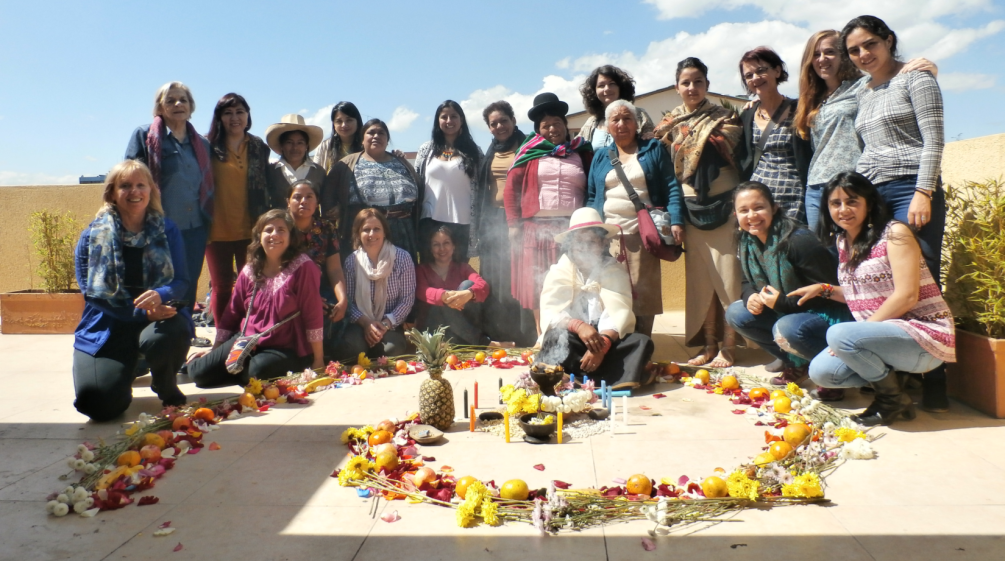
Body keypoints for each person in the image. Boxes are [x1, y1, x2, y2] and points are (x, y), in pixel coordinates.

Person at [842, 15, 949, 412]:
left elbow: (934, 137)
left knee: (923, 283)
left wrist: (924, 191)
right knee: (884, 283)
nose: (863, 54)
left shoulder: (915, 78)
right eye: (854, 50)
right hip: (875, 196)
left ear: (888, 40)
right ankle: (897, 379)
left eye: (870, 44)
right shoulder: (861, 91)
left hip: (910, 188)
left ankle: (936, 382)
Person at [793, 172, 955, 426]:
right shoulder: (844, 241)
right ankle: (896, 389)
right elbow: (863, 296)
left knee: (838, 333)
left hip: (924, 337)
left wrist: (856, 332)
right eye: (835, 203)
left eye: (852, 201)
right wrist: (824, 289)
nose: (843, 209)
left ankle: (890, 401)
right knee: (822, 373)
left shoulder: (895, 234)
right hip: (883, 337)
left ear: (869, 203)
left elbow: (907, 295)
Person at [72, 160, 191, 421]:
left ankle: (165, 384)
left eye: (141, 184)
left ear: (151, 190)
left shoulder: (167, 230)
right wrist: (140, 315)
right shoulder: (92, 236)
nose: (134, 191)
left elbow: (182, 280)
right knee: (98, 405)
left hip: (156, 321)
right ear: (112, 193)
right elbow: (93, 295)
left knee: (169, 333)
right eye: (125, 185)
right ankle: (122, 373)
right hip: (108, 327)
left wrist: (162, 293)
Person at [794, 30, 938, 228]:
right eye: (816, 54)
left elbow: (894, 80)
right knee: (821, 256)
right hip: (816, 188)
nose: (822, 59)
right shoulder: (811, 99)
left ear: (844, 56)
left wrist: (929, 68)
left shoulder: (864, 86)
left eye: (830, 52)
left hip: (851, 186)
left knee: (857, 251)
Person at [654, 57, 744, 367]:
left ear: (707, 84)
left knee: (729, 276)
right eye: (686, 82)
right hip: (689, 206)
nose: (692, 87)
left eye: (698, 81)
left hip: (725, 203)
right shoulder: (667, 125)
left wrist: (705, 138)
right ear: (676, 87)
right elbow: (661, 166)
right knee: (701, 280)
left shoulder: (726, 117)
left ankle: (729, 346)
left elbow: (732, 147)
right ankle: (708, 344)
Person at [724, 182, 852, 397]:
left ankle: (832, 375)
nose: (752, 215)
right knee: (737, 313)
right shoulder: (746, 241)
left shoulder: (798, 241)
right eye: (744, 210)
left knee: (786, 327)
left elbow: (829, 293)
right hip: (790, 310)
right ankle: (797, 365)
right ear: (735, 214)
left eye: (758, 208)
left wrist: (783, 303)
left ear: (774, 208)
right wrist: (750, 296)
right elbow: (746, 281)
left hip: (828, 313)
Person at [188, 210, 324, 387]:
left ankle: (244, 372)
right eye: (268, 230)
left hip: (285, 346)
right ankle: (239, 371)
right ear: (259, 236)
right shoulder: (250, 270)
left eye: (281, 229)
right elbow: (232, 313)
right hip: (247, 340)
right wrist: (217, 349)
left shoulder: (303, 267)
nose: (274, 234)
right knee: (199, 373)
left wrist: (318, 360)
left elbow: (312, 313)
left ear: (291, 236)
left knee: (257, 373)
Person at [586, 99, 685, 338]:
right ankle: (614, 349)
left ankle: (640, 350)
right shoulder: (600, 156)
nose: (621, 124)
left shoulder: (652, 149)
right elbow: (591, 196)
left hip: (643, 236)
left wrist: (677, 220)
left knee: (643, 298)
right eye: (615, 119)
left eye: (627, 118)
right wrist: (590, 232)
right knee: (611, 296)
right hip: (608, 239)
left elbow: (671, 185)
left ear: (636, 122)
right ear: (608, 126)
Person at [537, 208, 656, 391]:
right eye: (579, 242)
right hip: (574, 341)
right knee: (555, 337)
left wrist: (603, 345)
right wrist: (579, 326)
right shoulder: (558, 271)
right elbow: (551, 312)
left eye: (591, 242)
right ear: (570, 245)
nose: (585, 248)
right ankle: (617, 376)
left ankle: (575, 376)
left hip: (606, 343)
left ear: (603, 243)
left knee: (642, 341)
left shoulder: (614, 270)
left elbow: (619, 313)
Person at [505, 93, 593, 335]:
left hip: (572, 230)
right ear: (538, 131)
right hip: (537, 230)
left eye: (557, 123)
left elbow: (593, 185)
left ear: (566, 126)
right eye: (546, 125)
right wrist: (513, 224)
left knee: (572, 282)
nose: (552, 128)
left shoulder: (582, 152)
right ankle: (542, 333)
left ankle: (572, 333)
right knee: (539, 283)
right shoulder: (529, 153)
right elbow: (511, 189)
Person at [125, 81, 213, 312]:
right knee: (158, 284)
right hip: (158, 226)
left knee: (188, 283)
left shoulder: (202, 144)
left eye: (183, 100)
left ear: (191, 106)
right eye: (170, 100)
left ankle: (184, 331)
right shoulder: (145, 135)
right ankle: (158, 334)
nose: (178, 104)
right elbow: (130, 179)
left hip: (195, 228)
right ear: (160, 107)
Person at [204, 93, 272, 327]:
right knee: (221, 287)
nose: (235, 117)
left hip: (251, 230)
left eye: (240, 112)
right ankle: (222, 338)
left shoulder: (259, 147)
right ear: (219, 117)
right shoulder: (207, 146)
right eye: (228, 112)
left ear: (248, 116)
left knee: (252, 285)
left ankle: (247, 334)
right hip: (216, 230)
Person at [477, 100, 536, 346]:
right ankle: (499, 334)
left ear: (513, 120)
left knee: (519, 276)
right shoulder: (489, 152)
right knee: (495, 277)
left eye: (504, 120)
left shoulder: (528, 147)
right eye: (494, 123)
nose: (499, 126)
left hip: (520, 220)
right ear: (489, 128)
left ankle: (524, 334)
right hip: (493, 220)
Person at [328, 119, 423, 263]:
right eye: (371, 132)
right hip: (368, 231)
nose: (376, 136)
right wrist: (337, 210)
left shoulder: (402, 162)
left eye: (381, 133)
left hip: (403, 231)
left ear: (387, 139)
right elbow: (328, 192)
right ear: (362, 139)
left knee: (403, 275)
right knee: (367, 278)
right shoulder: (346, 165)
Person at [736, 47, 812, 222]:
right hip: (756, 205)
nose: (755, 78)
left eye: (761, 70)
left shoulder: (800, 110)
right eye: (749, 75)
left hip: (793, 201)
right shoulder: (747, 115)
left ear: (777, 70)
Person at [333, 208, 415, 359]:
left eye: (377, 229)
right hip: (360, 324)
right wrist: (366, 324)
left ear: (384, 232)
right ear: (358, 234)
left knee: (391, 351)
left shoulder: (402, 258)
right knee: (353, 349)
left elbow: (407, 300)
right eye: (366, 230)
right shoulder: (352, 262)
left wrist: (384, 325)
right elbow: (349, 302)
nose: (372, 234)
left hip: (390, 325)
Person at [415, 225, 508, 347]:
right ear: (430, 249)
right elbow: (421, 291)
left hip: (462, 330)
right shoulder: (421, 270)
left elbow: (483, 286)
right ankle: (484, 343)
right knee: (446, 299)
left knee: (468, 285)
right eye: (436, 244)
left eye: (446, 243)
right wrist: (445, 295)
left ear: (454, 246)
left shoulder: (463, 268)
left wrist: (468, 293)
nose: (442, 248)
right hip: (434, 332)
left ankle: (464, 341)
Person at [415, 100, 484, 261]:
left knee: (458, 274)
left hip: (462, 223)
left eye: (454, 116)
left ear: (461, 120)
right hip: (430, 222)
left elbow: (481, 184)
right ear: (437, 121)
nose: (449, 121)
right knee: (430, 271)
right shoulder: (426, 150)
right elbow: (416, 180)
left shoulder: (474, 151)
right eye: (444, 117)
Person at [287, 179, 348, 356]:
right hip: (288, 292)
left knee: (336, 309)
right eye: (297, 197)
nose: (303, 201)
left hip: (321, 289)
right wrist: (308, 299)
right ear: (288, 201)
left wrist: (342, 300)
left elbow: (335, 269)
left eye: (309, 197)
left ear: (317, 203)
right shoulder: (280, 228)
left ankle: (324, 354)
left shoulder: (327, 228)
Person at [576, 65, 656, 149]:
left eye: (612, 84)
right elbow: (575, 148)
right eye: (601, 85)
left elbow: (655, 142)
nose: (607, 89)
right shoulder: (591, 123)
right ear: (594, 91)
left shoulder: (639, 114)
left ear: (621, 87)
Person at [265, 114, 327, 210]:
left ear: (306, 146)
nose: (295, 148)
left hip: (311, 225)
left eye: (300, 143)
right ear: (282, 145)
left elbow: (325, 203)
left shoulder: (319, 172)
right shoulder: (270, 172)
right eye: (289, 142)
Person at [313, 101, 364, 175]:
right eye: (339, 121)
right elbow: (316, 175)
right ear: (333, 124)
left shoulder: (366, 146)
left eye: (349, 120)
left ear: (357, 122)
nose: (344, 125)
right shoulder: (325, 146)